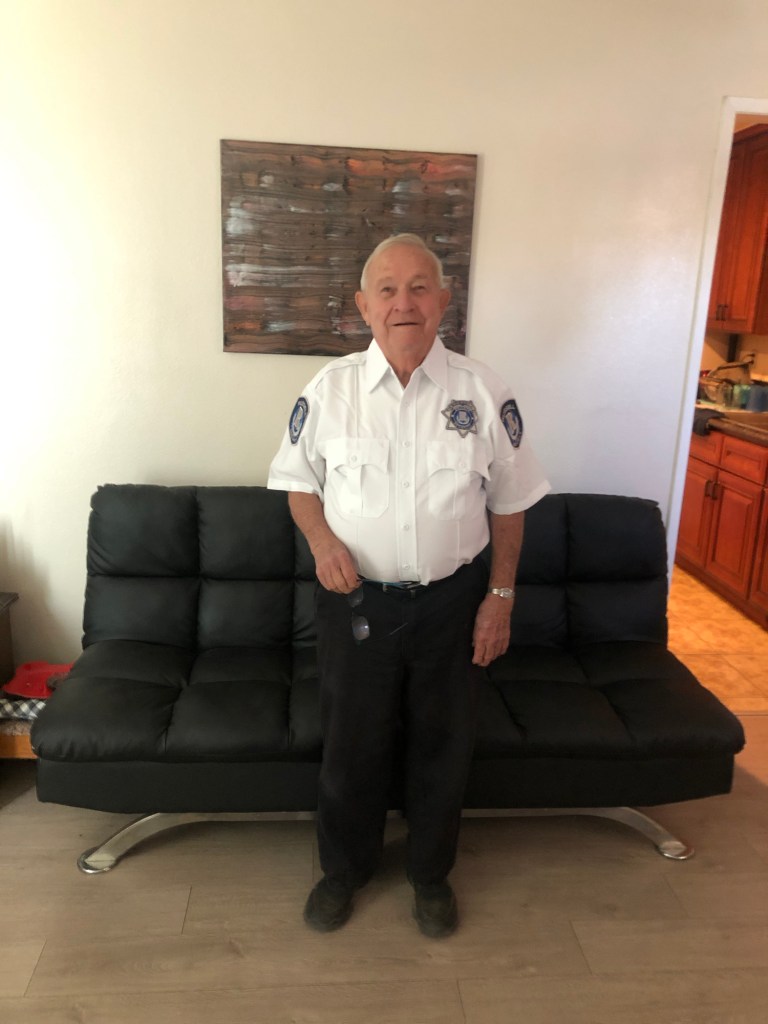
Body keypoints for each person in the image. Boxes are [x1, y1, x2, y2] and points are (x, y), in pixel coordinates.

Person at [268, 234, 549, 937]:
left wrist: (500, 598)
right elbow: (299, 484)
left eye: (420, 287)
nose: (404, 302)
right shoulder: (329, 391)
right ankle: (344, 872)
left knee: (443, 747)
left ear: (443, 300)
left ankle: (430, 875)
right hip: (355, 603)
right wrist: (323, 542)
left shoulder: (483, 392)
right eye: (387, 289)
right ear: (364, 306)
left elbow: (511, 503)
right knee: (351, 745)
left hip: (452, 604)